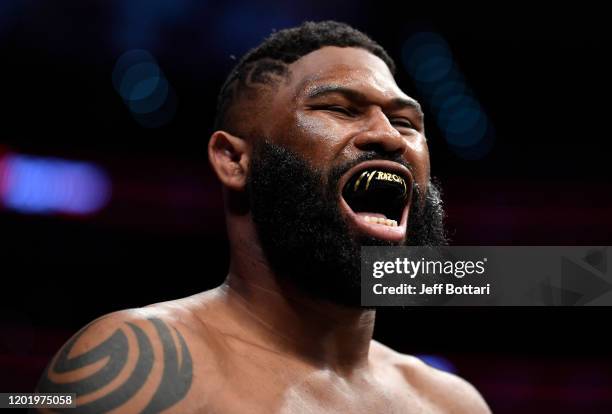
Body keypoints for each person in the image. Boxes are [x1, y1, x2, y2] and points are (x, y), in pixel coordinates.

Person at [35, 21, 490, 413]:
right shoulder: (133, 362)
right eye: (338, 108)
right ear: (234, 161)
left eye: (407, 122)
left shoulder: (451, 403)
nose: (388, 135)